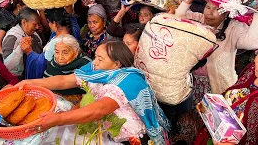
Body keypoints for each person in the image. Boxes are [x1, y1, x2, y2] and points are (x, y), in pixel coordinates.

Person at [16, 41, 170, 144]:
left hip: (129, 138)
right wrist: (31, 82)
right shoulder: (98, 71)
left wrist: (58, 119)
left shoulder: (127, 80)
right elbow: (65, 81)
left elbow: (99, 110)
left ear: (117, 64)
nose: (94, 62)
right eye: (95, 57)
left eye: (100, 59)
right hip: (105, 129)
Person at [176, 0, 258, 95]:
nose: (209, 13)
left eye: (217, 9)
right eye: (208, 7)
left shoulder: (233, 28)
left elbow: (252, 42)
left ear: (226, 13)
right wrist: (187, 1)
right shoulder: (198, 19)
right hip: (190, 81)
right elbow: (177, 19)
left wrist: (256, 12)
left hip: (220, 87)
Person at [195, 53, 258, 145]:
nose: (256, 61)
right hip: (216, 132)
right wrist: (209, 106)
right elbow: (232, 94)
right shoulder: (251, 70)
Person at [26, 35, 91, 104]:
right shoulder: (53, 63)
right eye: (57, 52)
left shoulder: (86, 64)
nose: (60, 57)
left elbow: (63, 81)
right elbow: (46, 84)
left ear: (76, 53)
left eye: (65, 53)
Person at [2, 7, 43, 79]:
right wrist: (20, 49)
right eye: (34, 24)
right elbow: (7, 66)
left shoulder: (33, 33)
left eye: (37, 24)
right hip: (21, 78)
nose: (37, 27)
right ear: (24, 22)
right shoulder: (12, 37)